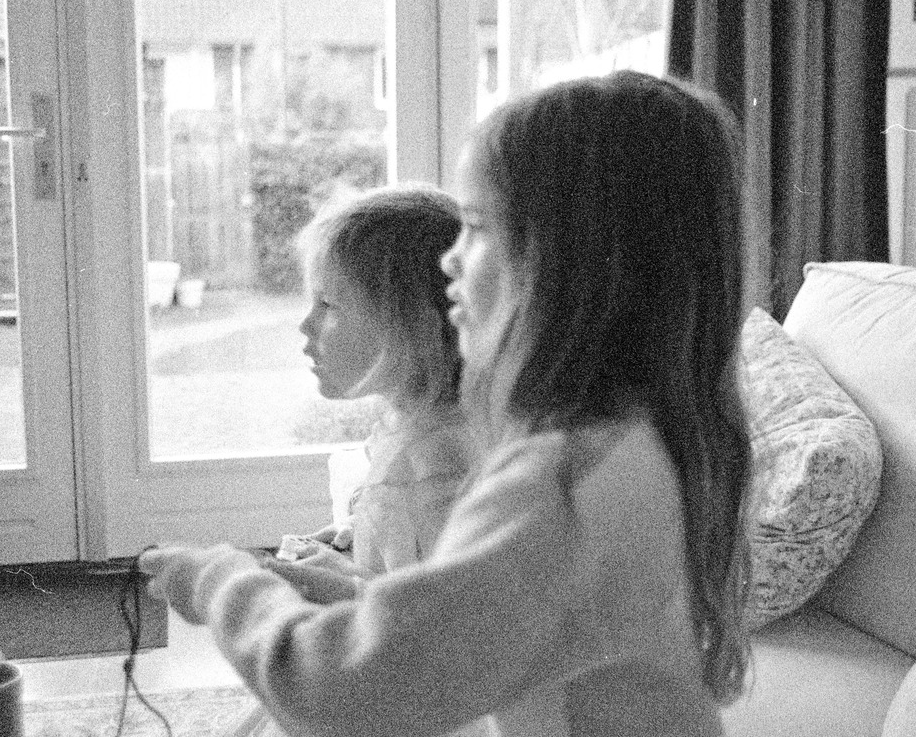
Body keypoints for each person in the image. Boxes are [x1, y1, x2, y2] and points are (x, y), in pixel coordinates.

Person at [141, 70, 753, 736]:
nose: (449, 262)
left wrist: (219, 579)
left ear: (574, 265)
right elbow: (495, 627)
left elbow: (338, 691)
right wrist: (361, 597)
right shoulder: (630, 441)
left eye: (478, 227)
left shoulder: (558, 486)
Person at [276, 183, 472, 591]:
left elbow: (435, 620)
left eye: (328, 304)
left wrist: (345, 587)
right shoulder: (436, 426)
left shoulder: (420, 473)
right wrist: (360, 540)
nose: (305, 324)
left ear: (406, 324)